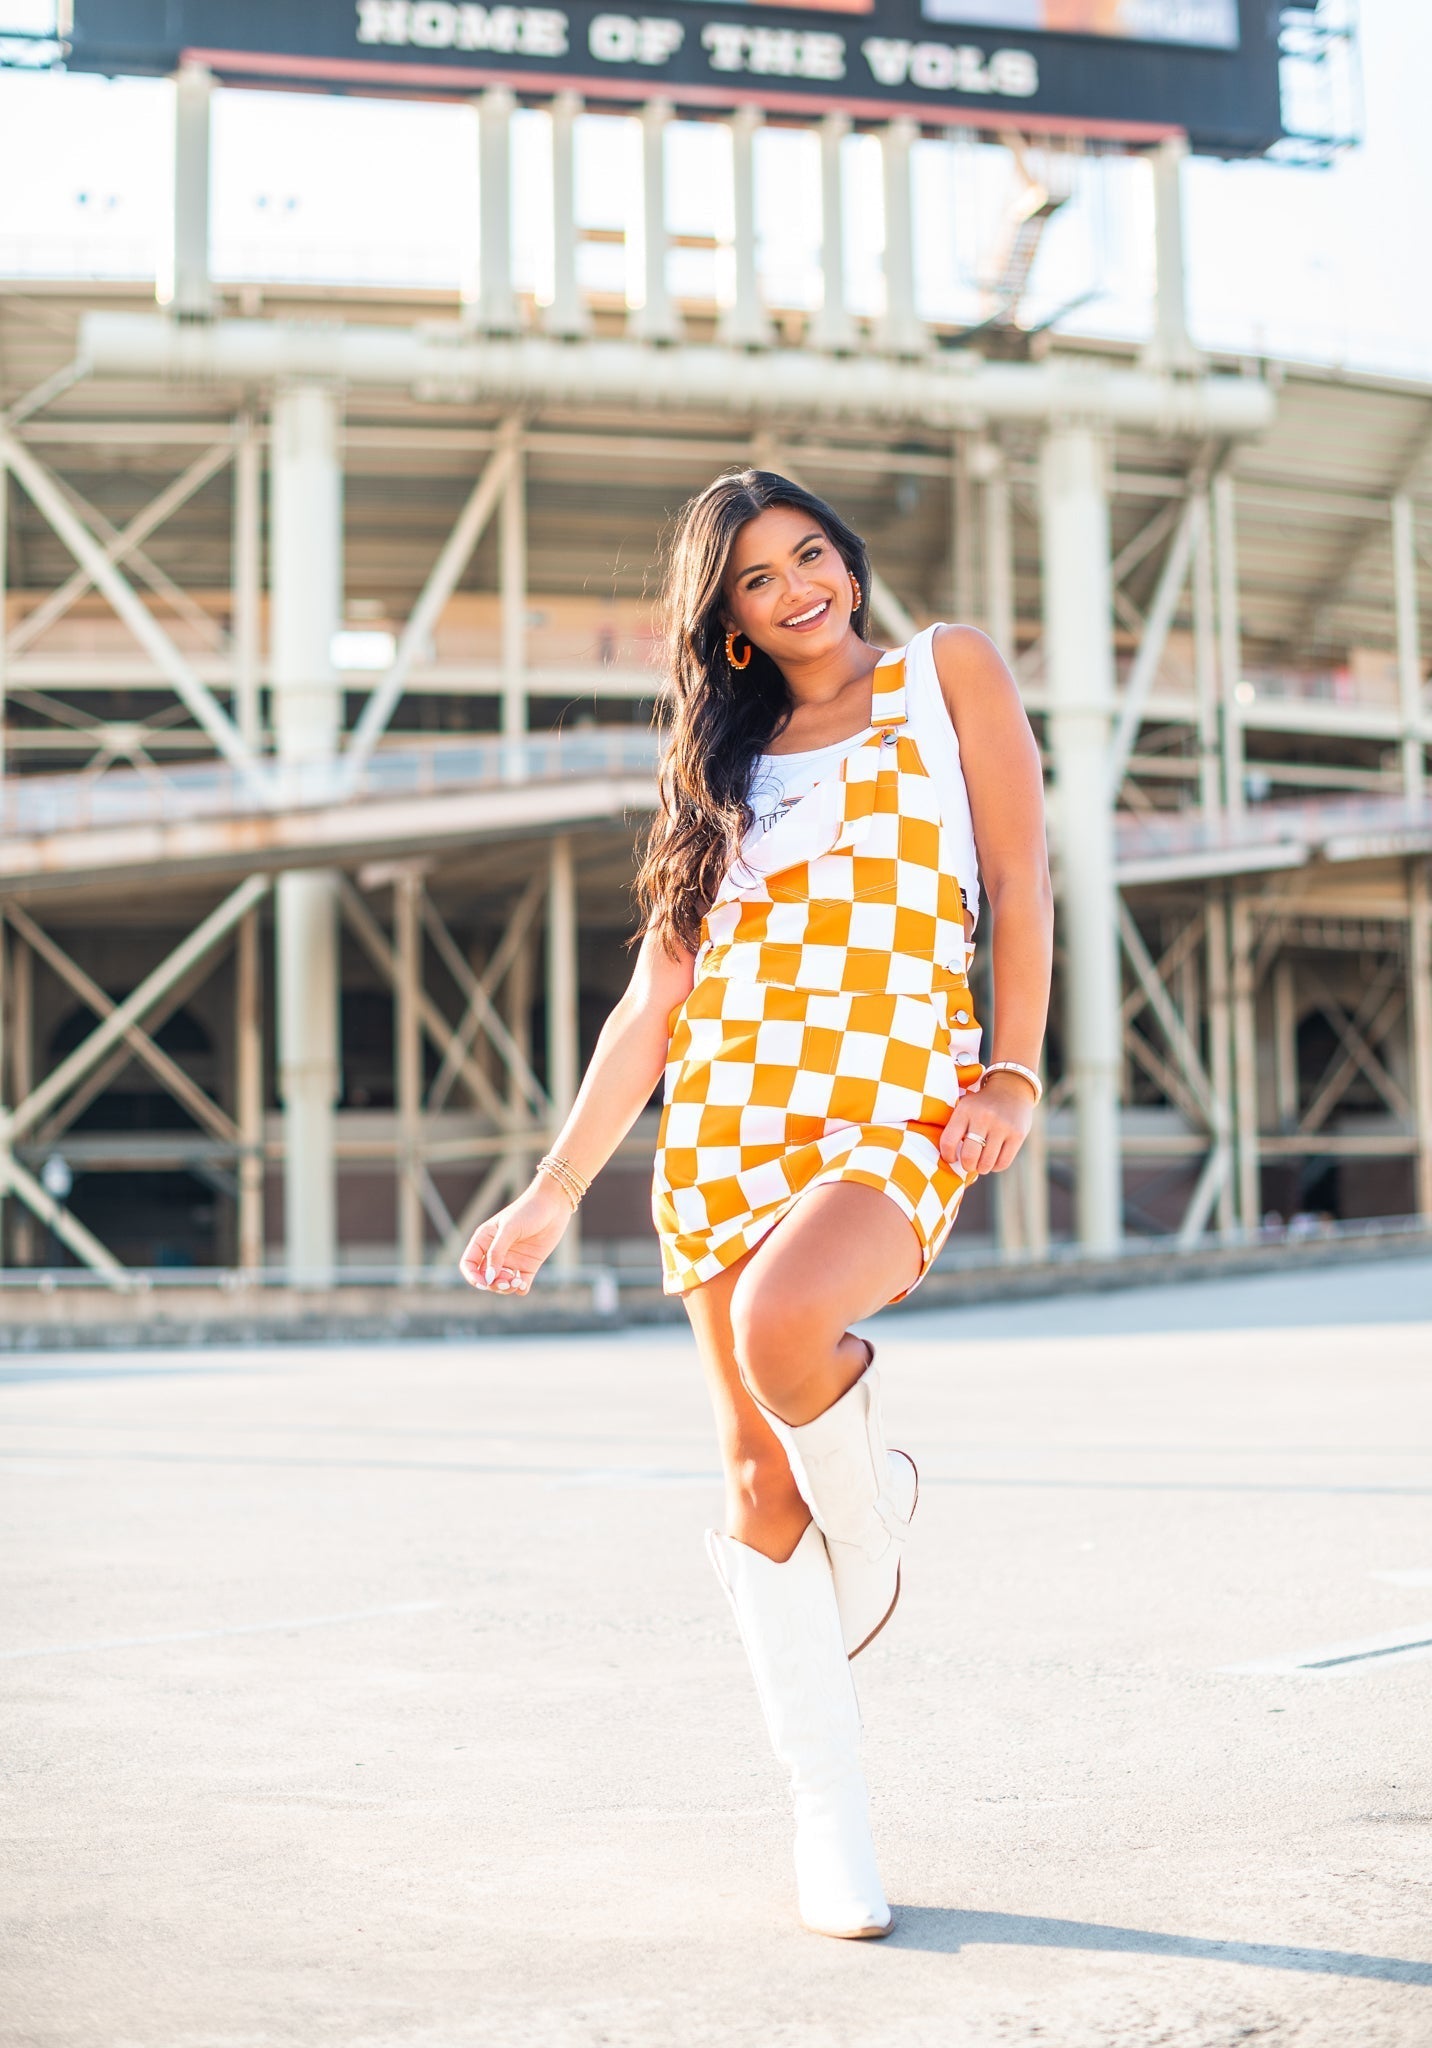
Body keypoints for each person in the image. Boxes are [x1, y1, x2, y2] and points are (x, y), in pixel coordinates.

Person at [460, 470, 1053, 1938]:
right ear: (727, 619)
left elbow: (1022, 877)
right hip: (727, 1123)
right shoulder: (717, 770)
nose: (801, 590)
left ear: (847, 559)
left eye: (811, 554)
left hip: (894, 1106)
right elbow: (652, 1006)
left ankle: (877, 1514)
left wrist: (1014, 1070)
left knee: (789, 1323)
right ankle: (827, 1822)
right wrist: (550, 1192)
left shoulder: (944, 674)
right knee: (754, 1485)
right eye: (758, 579)